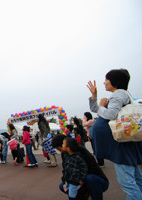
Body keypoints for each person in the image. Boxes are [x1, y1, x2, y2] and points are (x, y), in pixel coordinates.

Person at [87, 68, 142, 199]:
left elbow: (110, 114)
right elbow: (97, 110)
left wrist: (101, 106)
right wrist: (94, 97)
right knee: (136, 178)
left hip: (121, 146)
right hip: (123, 144)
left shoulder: (118, 94)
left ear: (114, 82)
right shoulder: (120, 95)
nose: (104, 82)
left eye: (106, 80)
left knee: (128, 184)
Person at [52, 134, 109, 200]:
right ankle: (83, 196)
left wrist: (78, 180)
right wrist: (65, 182)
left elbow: (88, 169)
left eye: (59, 149)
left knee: (90, 178)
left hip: (96, 181)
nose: (60, 151)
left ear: (65, 144)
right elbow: (66, 169)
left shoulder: (81, 151)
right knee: (63, 186)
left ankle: (95, 197)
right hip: (79, 181)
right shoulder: (65, 153)